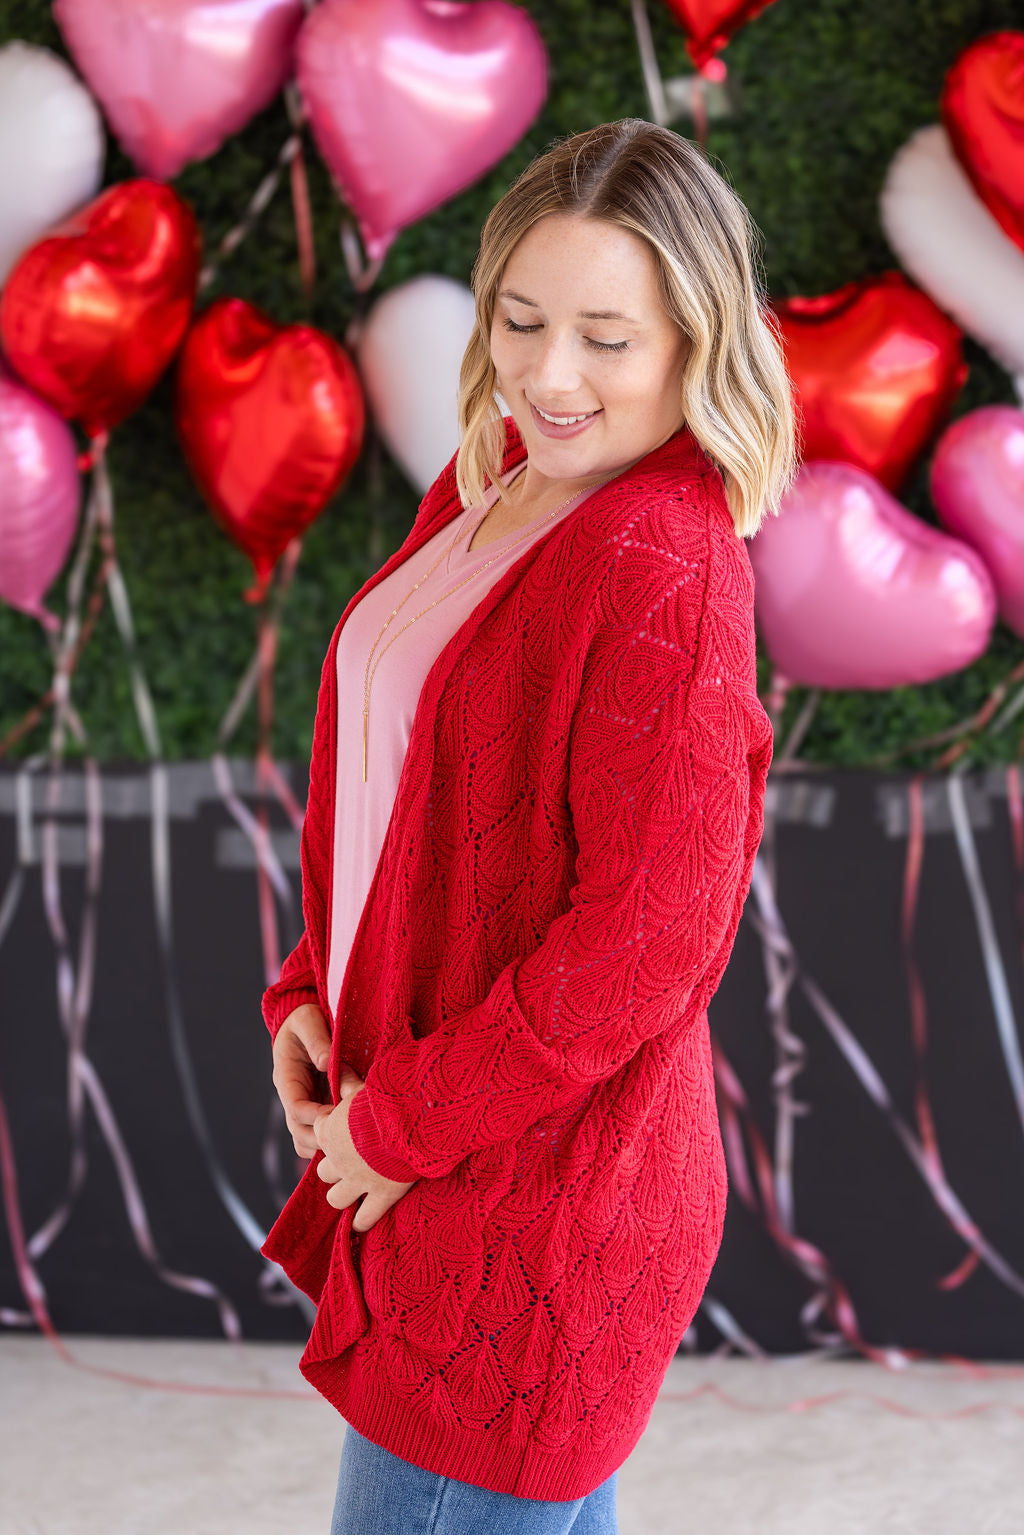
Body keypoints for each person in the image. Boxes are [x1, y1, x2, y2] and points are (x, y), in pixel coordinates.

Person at [262, 117, 797, 1534]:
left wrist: (403, 1125)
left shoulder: (660, 561)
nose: (551, 376)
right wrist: (312, 988)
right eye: (521, 320)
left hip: (536, 1198)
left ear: (694, 343)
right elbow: (395, 778)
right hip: (442, 1140)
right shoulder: (496, 472)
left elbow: (647, 945)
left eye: (608, 339)